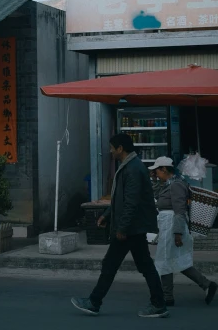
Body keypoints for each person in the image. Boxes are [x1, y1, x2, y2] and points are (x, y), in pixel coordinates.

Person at [71, 133, 169, 318]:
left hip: (130, 228)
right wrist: (107, 215)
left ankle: (94, 302)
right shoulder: (130, 166)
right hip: (133, 227)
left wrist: (122, 228)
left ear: (120, 149)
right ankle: (158, 303)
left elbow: (131, 203)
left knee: (112, 264)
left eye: (111, 148)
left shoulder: (133, 169)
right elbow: (121, 200)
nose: (110, 152)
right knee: (144, 265)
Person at [149, 156, 218, 307]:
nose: (155, 173)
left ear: (164, 169)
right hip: (167, 225)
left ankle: (167, 297)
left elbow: (179, 211)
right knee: (177, 261)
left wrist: (178, 233)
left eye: (157, 171)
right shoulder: (168, 184)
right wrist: (154, 180)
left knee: (165, 260)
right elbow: (157, 197)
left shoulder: (177, 185)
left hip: (172, 226)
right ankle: (206, 284)